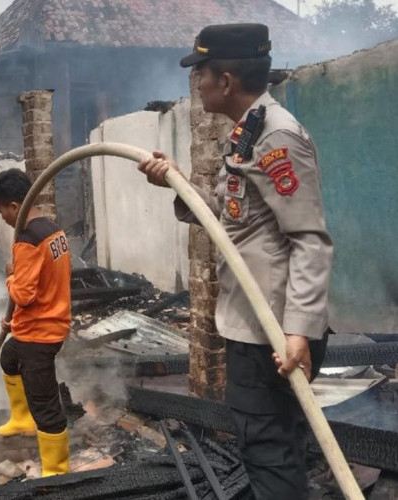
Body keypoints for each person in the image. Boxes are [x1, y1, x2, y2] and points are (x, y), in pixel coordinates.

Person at [138, 24, 333, 499]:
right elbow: (238, 221)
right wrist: (179, 184)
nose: (197, 83)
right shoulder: (249, 131)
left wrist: (297, 332)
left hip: (272, 331)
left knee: (266, 448)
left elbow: (309, 240)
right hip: (257, 325)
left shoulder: (277, 137)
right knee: (275, 446)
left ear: (225, 81)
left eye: (201, 72)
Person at [0, 169, 72, 477]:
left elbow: (23, 293)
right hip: (43, 323)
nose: (3, 219)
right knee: (8, 358)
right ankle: (21, 419)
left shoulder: (27, 238)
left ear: (14, 205)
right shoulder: (52, 229)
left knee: (45, 404)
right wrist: (15, 320)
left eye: (2, 212)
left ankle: (57, 471)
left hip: (40, 333)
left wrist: (10, 274)